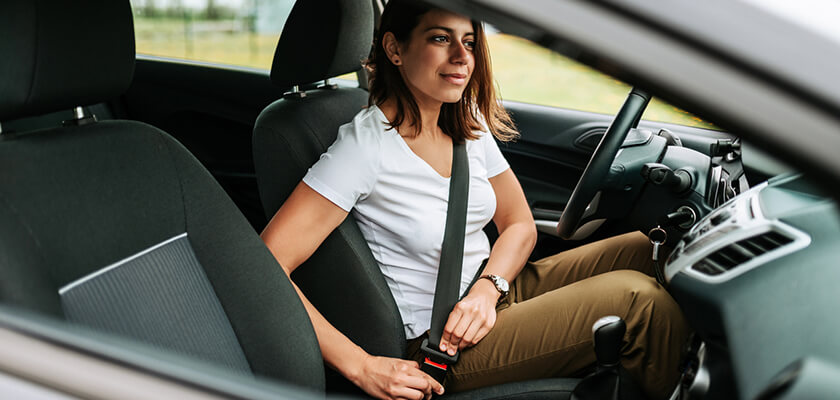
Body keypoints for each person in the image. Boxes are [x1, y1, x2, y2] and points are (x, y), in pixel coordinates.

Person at [260, 1, 689, 399]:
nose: (463, 58)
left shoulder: (467, 121)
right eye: (440, 38)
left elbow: (518, 222)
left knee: (653, 246)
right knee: (638, 303)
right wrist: (361, 366)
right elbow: (267, 264)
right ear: (394, 48)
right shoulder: (364, 147)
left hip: (491, 291)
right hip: (442, 340)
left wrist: (488, 289)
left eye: (468, 42)